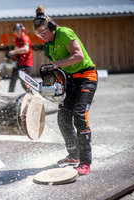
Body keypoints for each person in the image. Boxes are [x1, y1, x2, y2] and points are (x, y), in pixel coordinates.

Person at [33, 5, 98, 175]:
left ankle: (85, 161)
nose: (43, 36)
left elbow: (78, 56)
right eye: (39, 34)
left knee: (79, 115)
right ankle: (73, 154)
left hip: (86, 77)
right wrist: (52, 86)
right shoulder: (47, 47)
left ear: (51, 27)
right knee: (62, 117)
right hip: (69, 80)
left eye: (44, 32)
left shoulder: (64, 33)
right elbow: (59, 70)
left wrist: (55, 64)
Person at [8, 23, 33, 92]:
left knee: (24, 83)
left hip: (26, 64)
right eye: (15, 30)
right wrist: (12, 56)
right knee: (12, 80)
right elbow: (17, 52)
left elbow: (26, 49)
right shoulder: (16, 40)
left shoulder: (25, 38)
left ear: (22, 30)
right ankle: (10, 95)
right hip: (19, 63)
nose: (17, 32)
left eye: (18, 30)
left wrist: (13, 51)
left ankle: (31, 96)